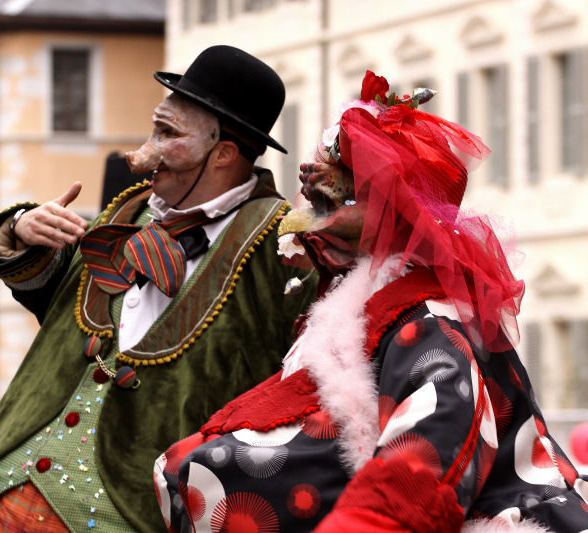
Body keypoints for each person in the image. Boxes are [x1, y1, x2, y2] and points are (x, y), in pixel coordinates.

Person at [154, 71, 588, 532]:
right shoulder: (350, 313)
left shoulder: (430, 323)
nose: (313, 197)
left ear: (396, 207)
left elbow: (418, 475)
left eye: (347, 187)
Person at [0, 44, 317, 532]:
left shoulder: (283, 245)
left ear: (224, 153)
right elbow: (49, 296)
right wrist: (19, 230)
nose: (144, 149)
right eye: (154, 127)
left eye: (167, 133)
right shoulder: (126, 212)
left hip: (132, 510)